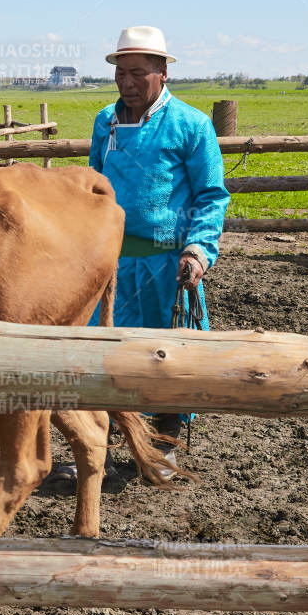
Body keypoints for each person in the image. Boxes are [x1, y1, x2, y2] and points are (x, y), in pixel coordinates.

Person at [88, 25, 229, 473]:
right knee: (103, 351)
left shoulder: (191, 125)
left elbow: (211, 195)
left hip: (168, 262)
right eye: (121, 73)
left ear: (163, 72)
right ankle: (97, 446)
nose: (127, 84)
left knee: (169, 353)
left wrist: (198, 250)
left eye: (138, 74)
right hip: (110, 261)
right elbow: (93, 186)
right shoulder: (104, 121)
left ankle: (164, 442)